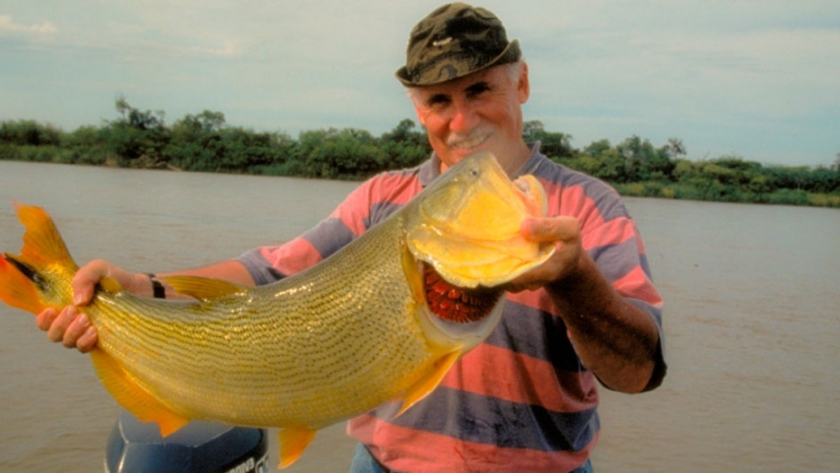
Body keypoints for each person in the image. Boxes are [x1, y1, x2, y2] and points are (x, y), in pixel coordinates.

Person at [36, 3, 666, 472]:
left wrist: (574, 277)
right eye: (439, 100)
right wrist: (136, 288)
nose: (462, 120)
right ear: (418, 108)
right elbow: (269, 276)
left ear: (520, 84)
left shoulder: (592, 208)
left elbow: (639, 372)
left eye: (481, 90)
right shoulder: (381, 199)